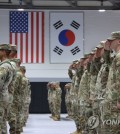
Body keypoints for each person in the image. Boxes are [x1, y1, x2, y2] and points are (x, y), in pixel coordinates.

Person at [0, 44, 15, 134]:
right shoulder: (8, 65)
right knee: (2, 123)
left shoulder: (4, 66)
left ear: (4, 52)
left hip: (1, 98)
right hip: (4, 96)